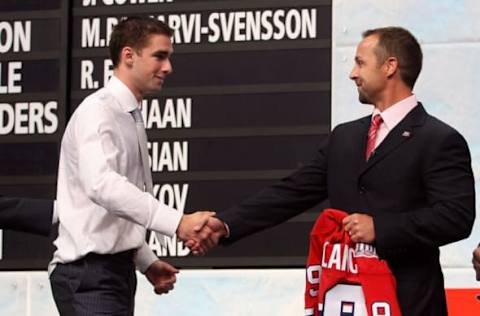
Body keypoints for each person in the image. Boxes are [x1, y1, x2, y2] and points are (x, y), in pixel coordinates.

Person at [192, 26, 476, 315]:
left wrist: (380, 228)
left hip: (409, 303)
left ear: (390, 66)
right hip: (344, 302)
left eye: (360, 63)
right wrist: (226, 223)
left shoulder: (439, 139)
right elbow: (292, 192)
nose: (352, 73)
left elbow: (456, 217)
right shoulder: (345, 136)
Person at [49, 16, 213, 315]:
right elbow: (103, 187)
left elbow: (108, 213)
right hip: (89, 277)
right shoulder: (98, 112)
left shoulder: (125, 114)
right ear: (128, 56)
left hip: (112, 274)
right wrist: (178, 223)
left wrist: (145, 260)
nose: (168, 67)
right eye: (159, 56)